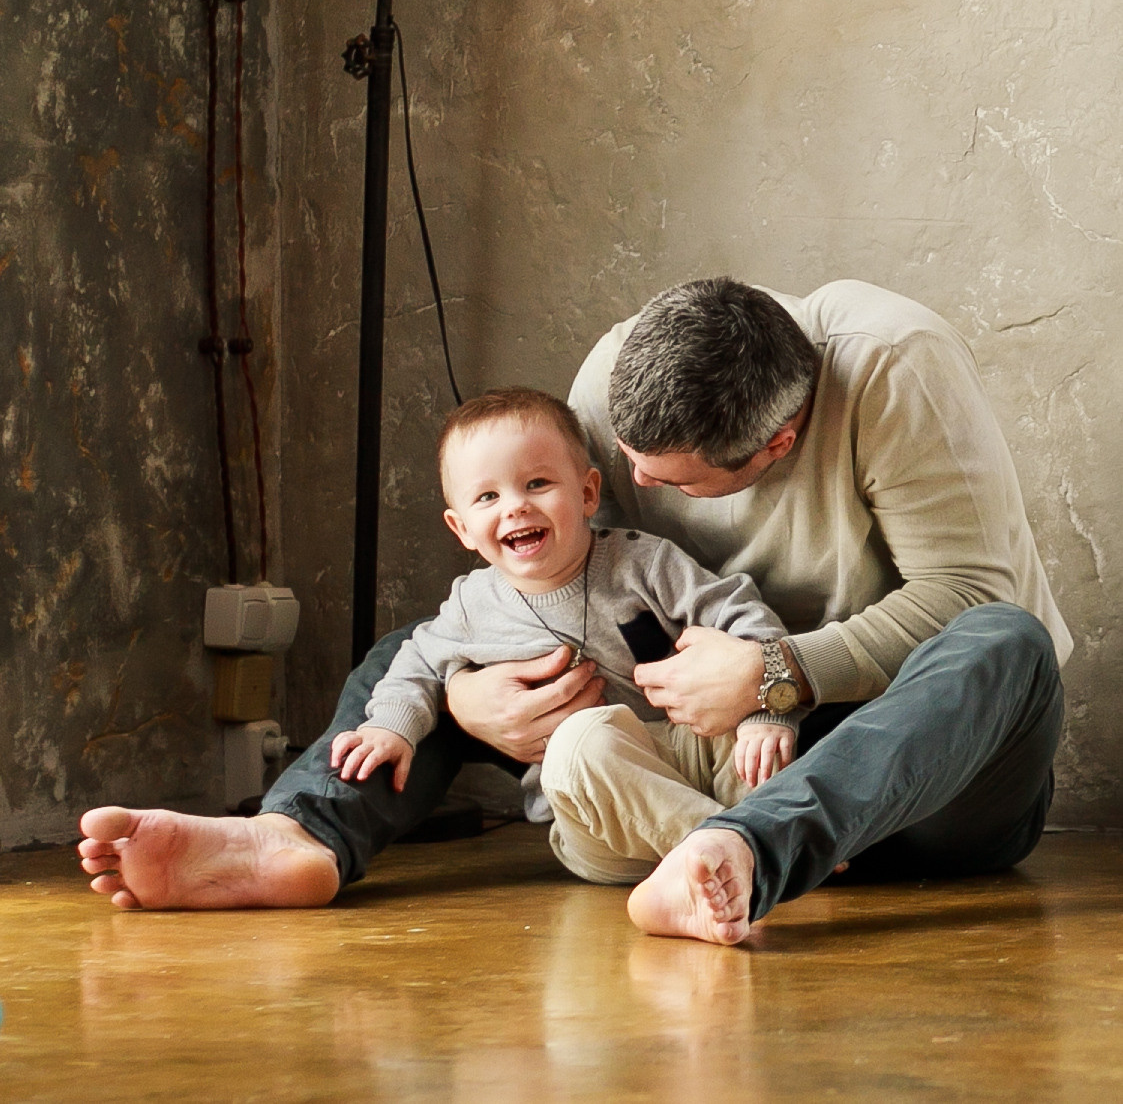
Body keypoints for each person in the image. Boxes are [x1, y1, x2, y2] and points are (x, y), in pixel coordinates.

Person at [78, 276, 1068, 938]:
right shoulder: (610, 377)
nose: (624, 484)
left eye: (664, 480)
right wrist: (467, 698)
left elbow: (969, 594)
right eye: (619, 464)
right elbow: (560, 579)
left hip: (904, 759)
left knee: (1005, 640)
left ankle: (746, 850)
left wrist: (778, 672)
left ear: (776, 448)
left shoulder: (894, 372)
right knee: (416, 653)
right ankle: (297, 834)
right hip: (695, 747)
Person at [330, 387, 798, 881]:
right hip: (604, 821)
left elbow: (739, 612)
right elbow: (416, 661)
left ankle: (736, 849)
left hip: (696, 760)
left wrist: (766, 707)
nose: (514, 507)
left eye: (536, 483)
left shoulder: (643, 563)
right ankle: (749, 850)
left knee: (753, 737)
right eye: (487, 496)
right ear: (461, 527)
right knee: (576, 743)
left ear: (587, 494)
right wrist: (390, 726)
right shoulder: (472, 605)